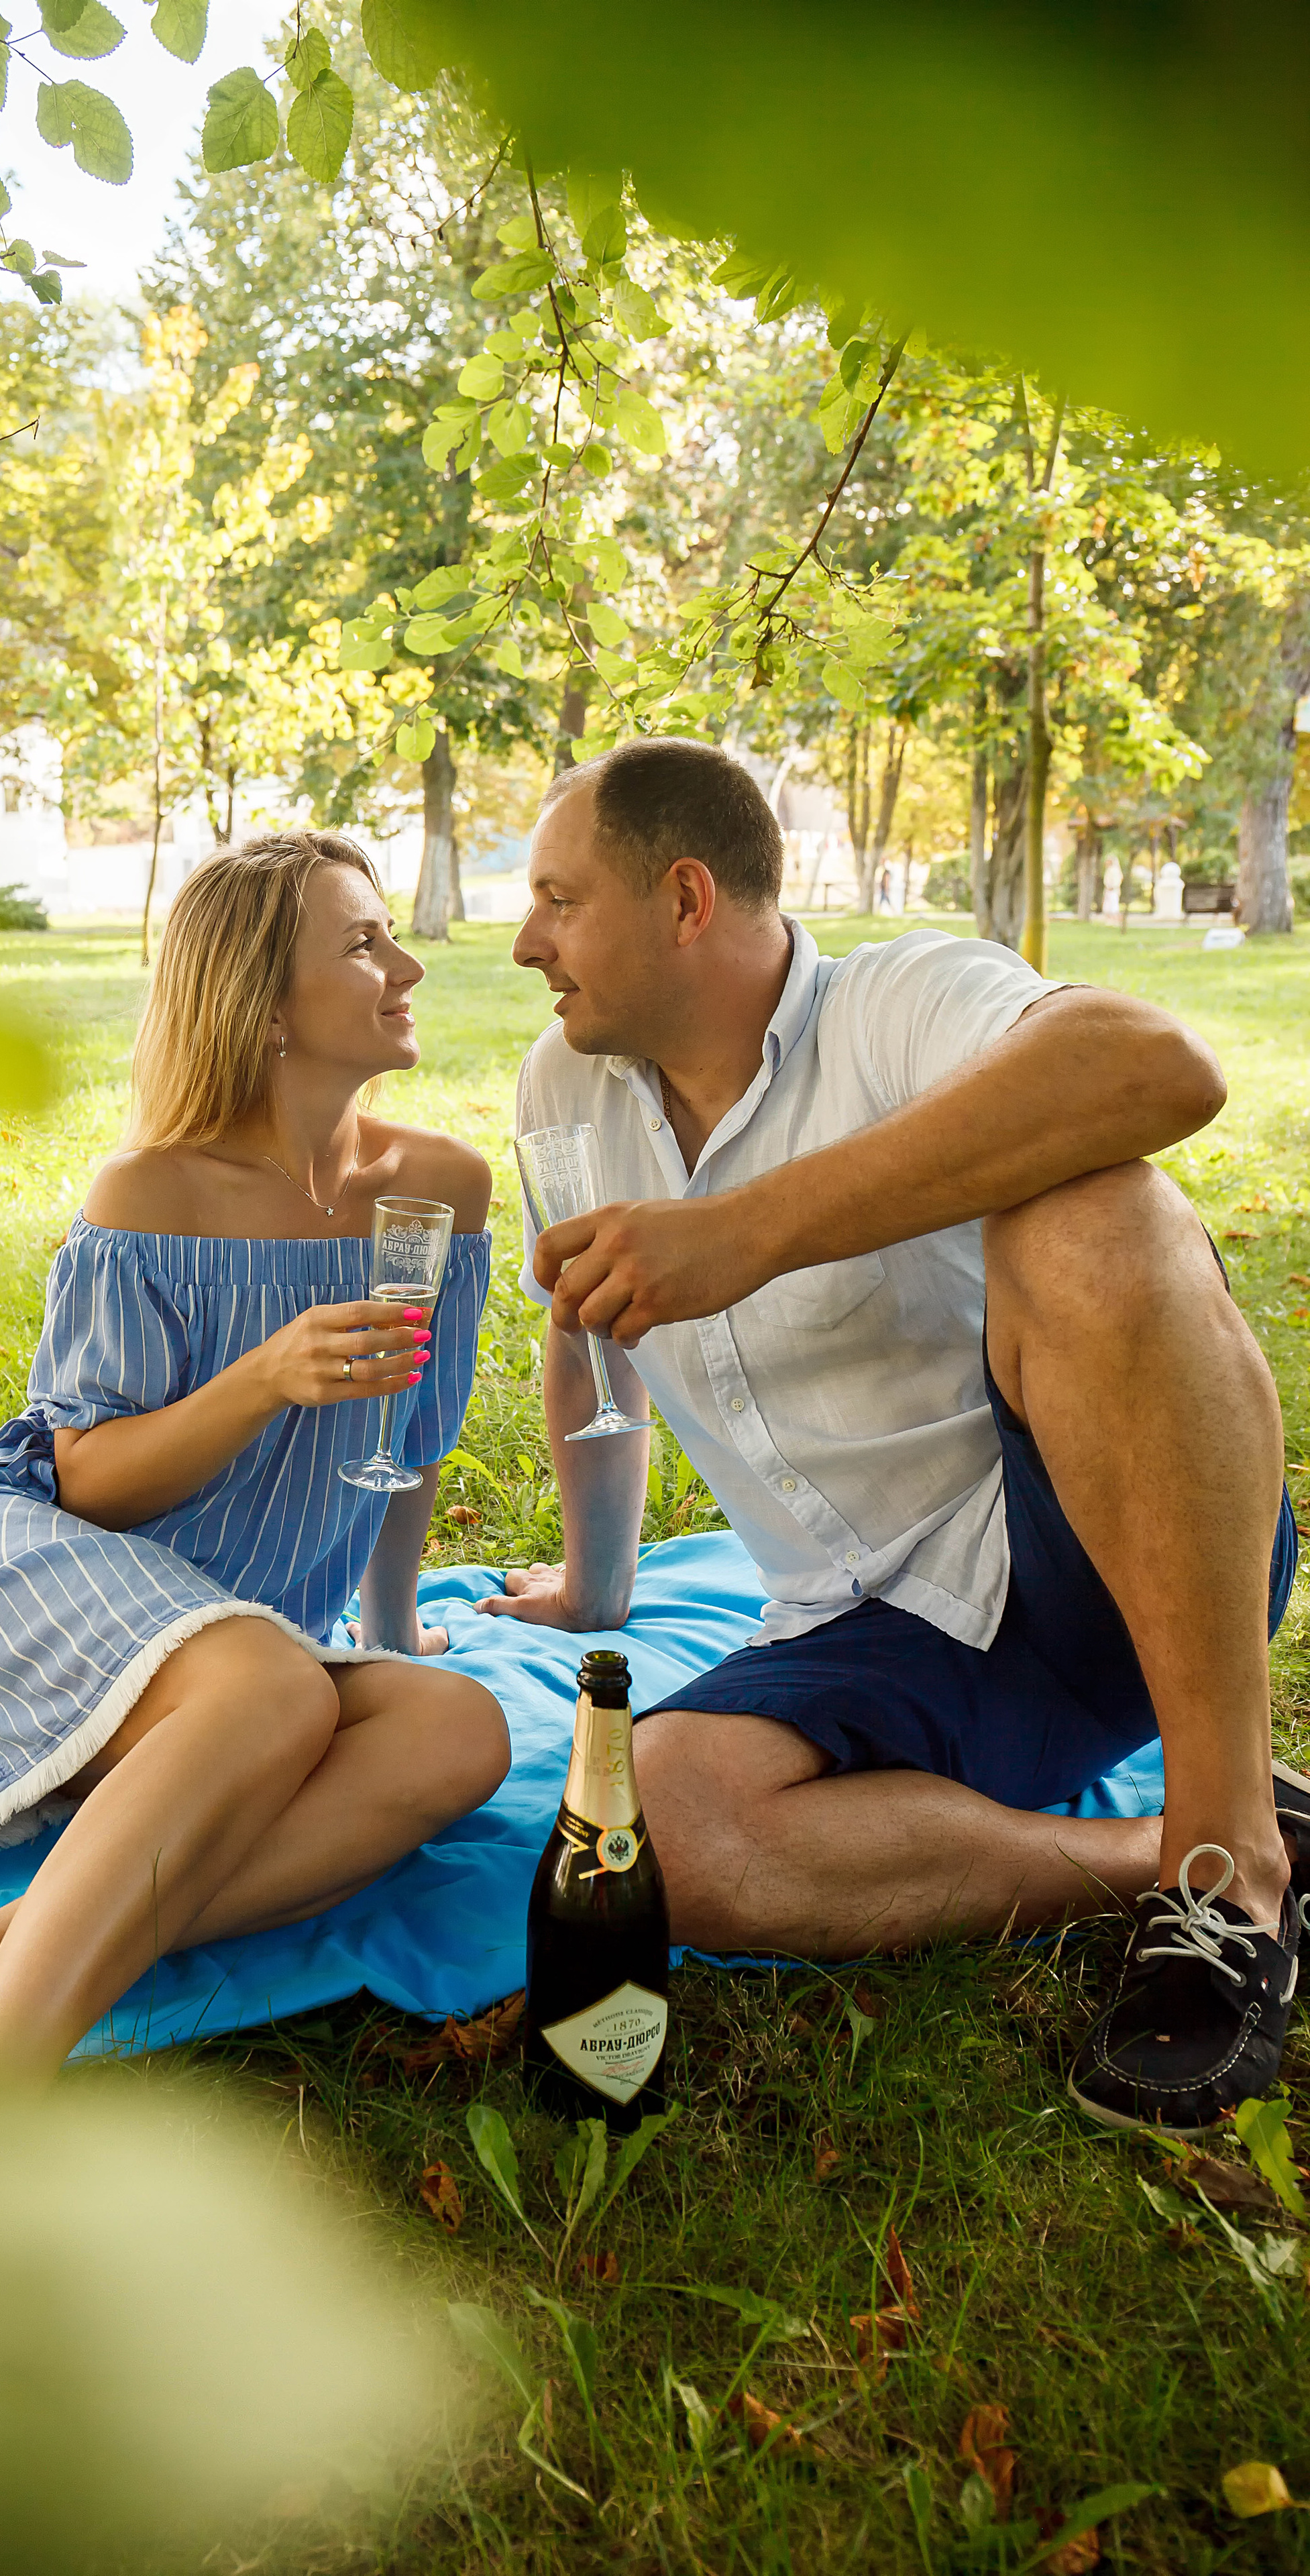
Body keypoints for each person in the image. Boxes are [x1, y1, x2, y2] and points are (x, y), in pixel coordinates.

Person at [481, 736, 1306, 2136]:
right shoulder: (562, 1092)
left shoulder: (900, 1001)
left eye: (559, 901)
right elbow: (585, 1339)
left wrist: (743, 1229)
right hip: (859, 1632)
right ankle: (1184, 1845)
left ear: (685, 900)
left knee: (1088, 1209)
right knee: (657, 1827)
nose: (521, 943)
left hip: (1094, 1560)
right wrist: (592, 1585)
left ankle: (1228, 1884)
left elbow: (1156, 1068)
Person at [0, 833, 508, 2082]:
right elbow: (88, 1477)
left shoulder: (442, 1188)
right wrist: (264, 1378)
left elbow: (411, 1442)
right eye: (364, 943)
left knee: (459, 1733)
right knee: (272, 1690)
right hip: (44, 1563)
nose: (409, 965)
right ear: (260, 1003)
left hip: (250, 1634)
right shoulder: (152, 1192)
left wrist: (395, 1620)